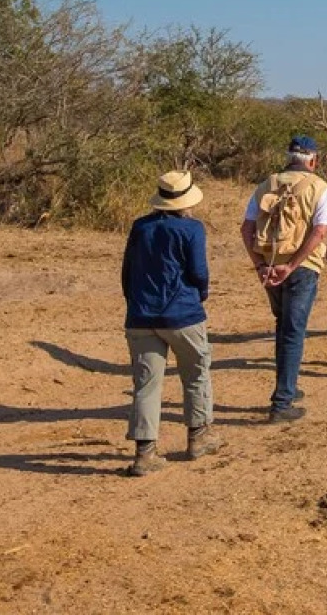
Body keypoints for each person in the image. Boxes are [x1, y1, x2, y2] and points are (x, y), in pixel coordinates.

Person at [122, 170, 221, 476]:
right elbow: (199, 272)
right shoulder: (192, 229)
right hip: (182, 314)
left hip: (140, 316)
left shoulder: (140, 227)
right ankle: (198, 436)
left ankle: (145, 453)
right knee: (196, 373)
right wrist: (198, 296)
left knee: (146, 386)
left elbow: (127, 272)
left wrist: (136, 302)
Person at [241, 135, 327, 422]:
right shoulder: (319, 187)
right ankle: (282, 403)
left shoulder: (266, 184)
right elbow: (320, 232)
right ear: (314, 160)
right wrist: (292, 266)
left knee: (283, 326)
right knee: (294, 330)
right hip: (302, 266)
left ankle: (287, 387)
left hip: (269, 265)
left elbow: (246, 229)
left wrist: (260, 266)